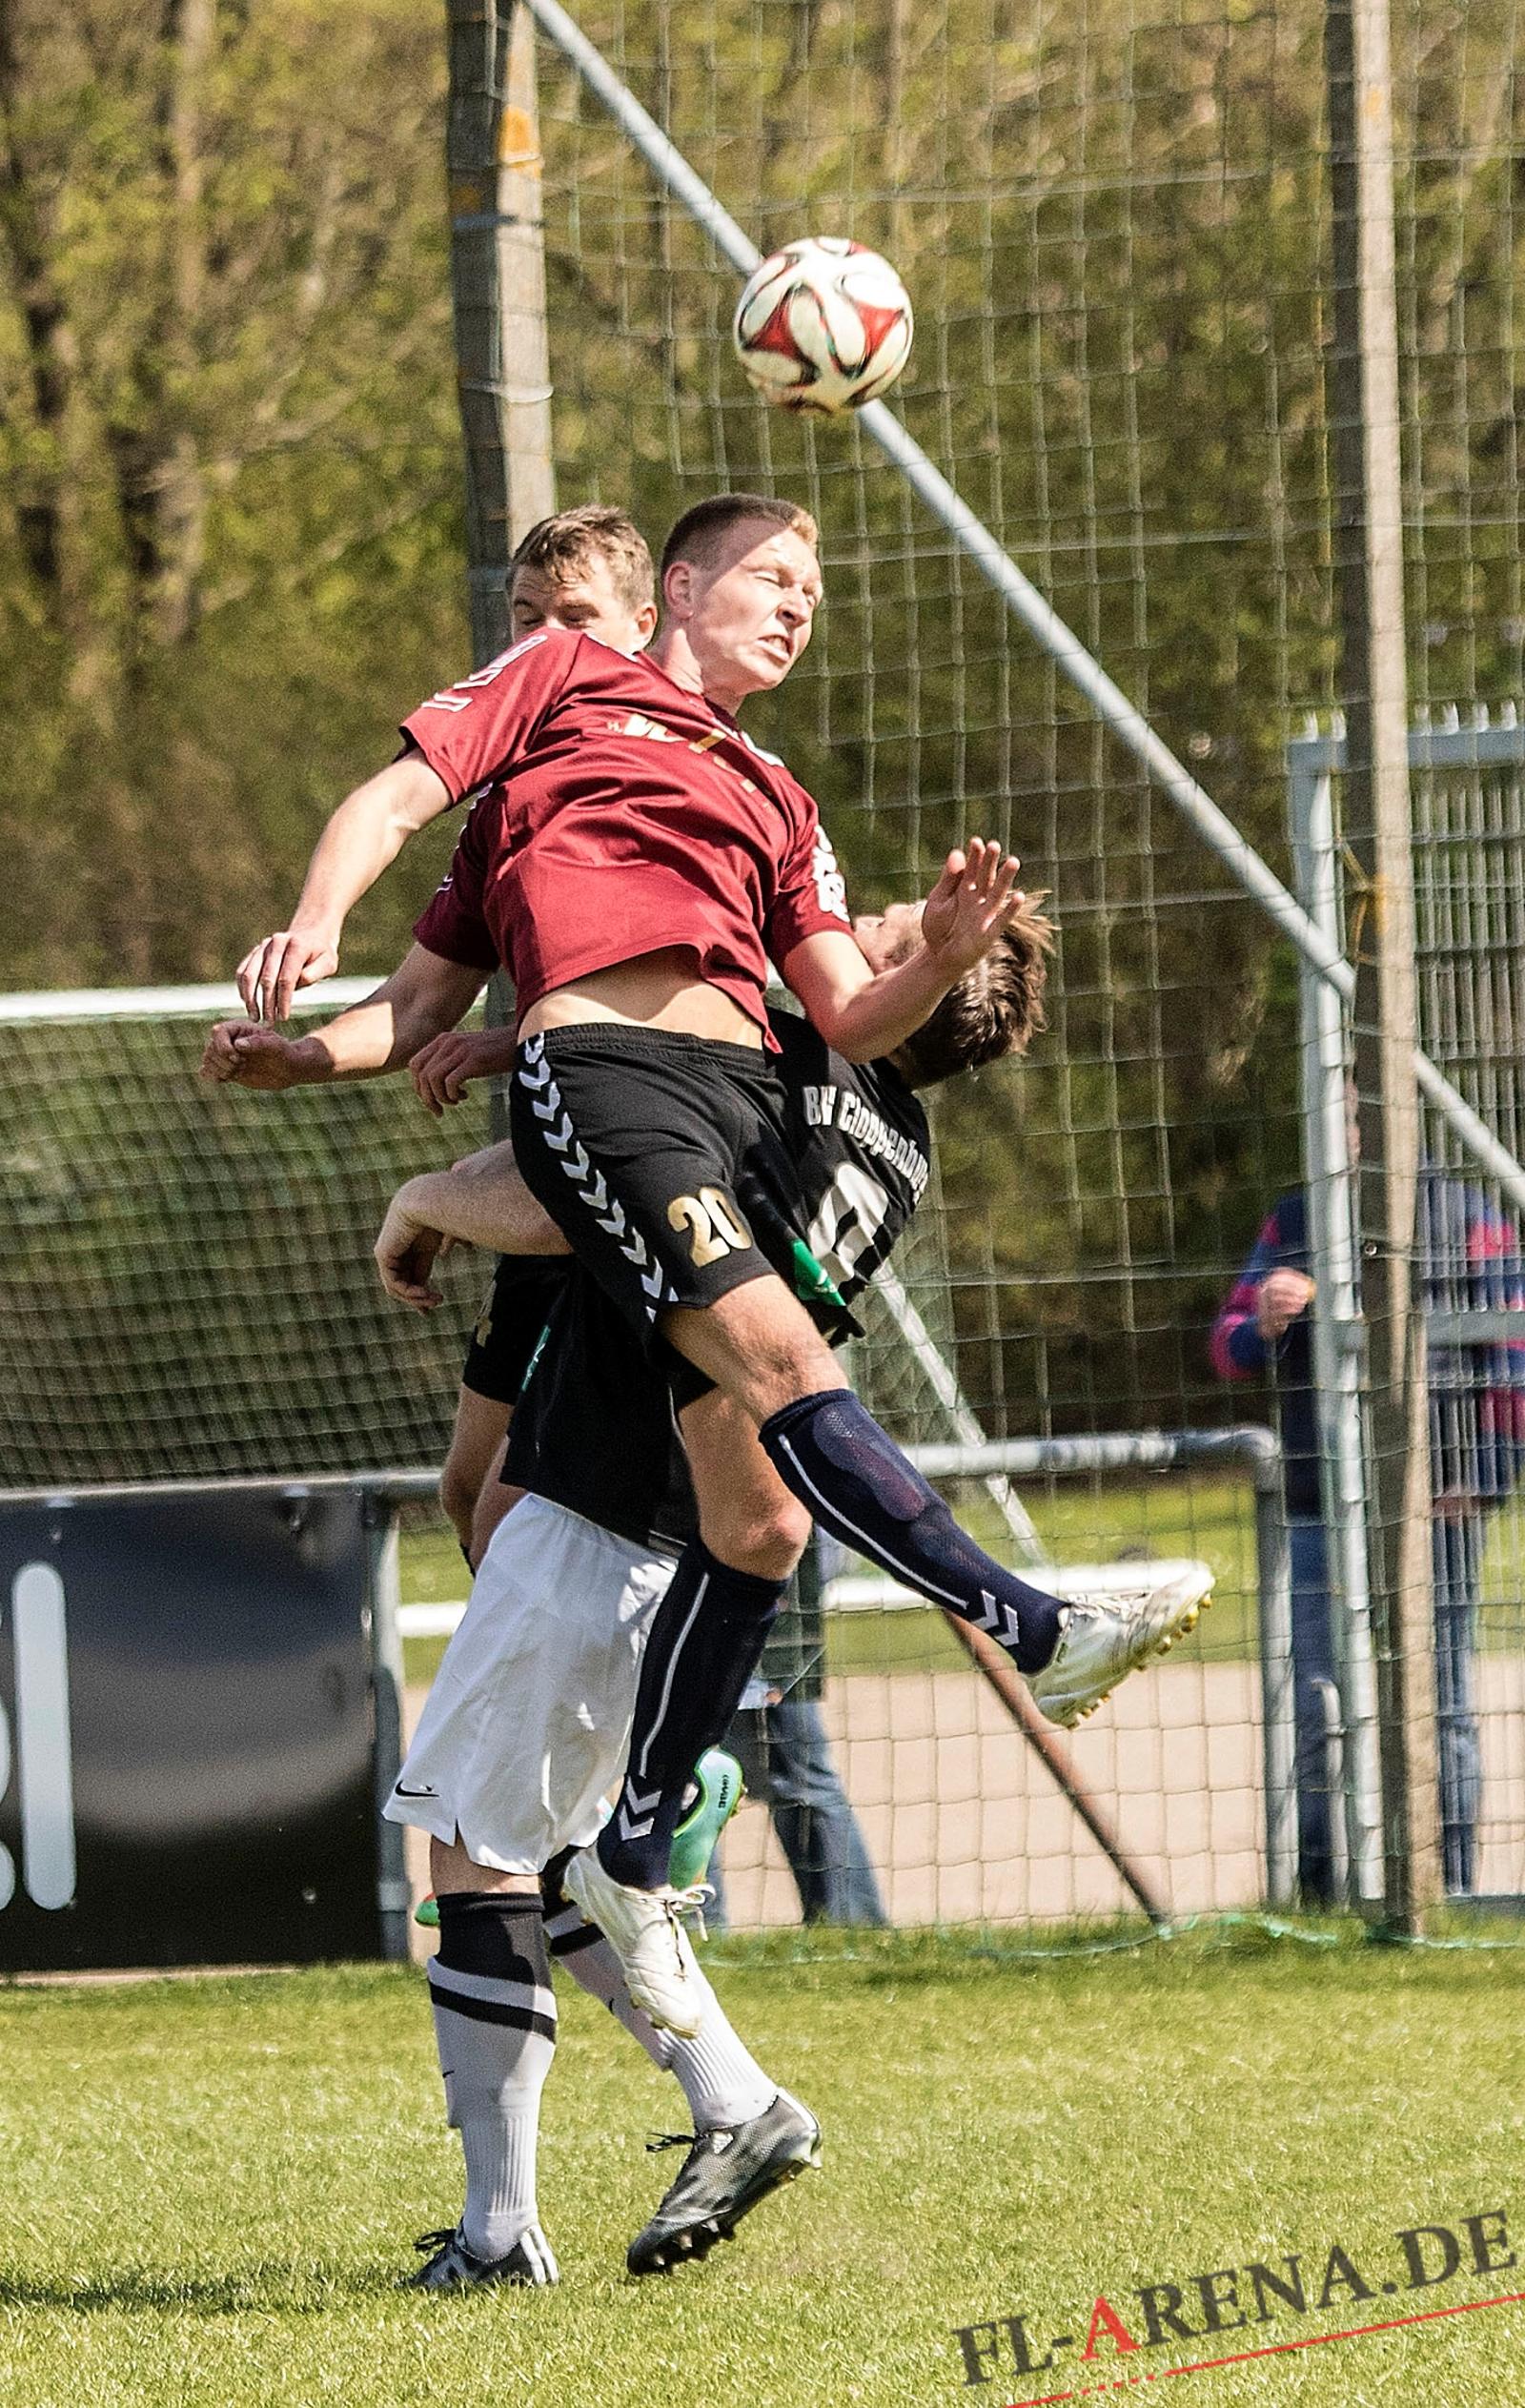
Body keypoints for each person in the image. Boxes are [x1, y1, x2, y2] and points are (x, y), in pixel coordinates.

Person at [233, 488, 1211, 2038]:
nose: (802, 602)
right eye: (776, 574)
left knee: (743, 1511)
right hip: (612, 1089)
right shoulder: (563, 692)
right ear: (675, 596)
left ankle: (642, 1845)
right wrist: (315, 948)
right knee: (557, 1474)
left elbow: (848, 1014)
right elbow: (397, 862)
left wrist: (937, 956)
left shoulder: (775, 796)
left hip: (700, 1109)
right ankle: (1016, 1635)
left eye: (816, 586)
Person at [374, 910, 1048, 2287]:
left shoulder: (785, 1072)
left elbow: (570, 1201)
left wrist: (427, 1196)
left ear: (898, 990)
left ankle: (499, 2235)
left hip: (608, 1499)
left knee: (473, 1857)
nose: (842, 932)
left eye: (881, 935)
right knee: (551, 1855)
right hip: (676, 1522)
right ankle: (735, 2101)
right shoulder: (891, 1134)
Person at [1210, 1168, 1525, 1898]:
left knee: (1440, 1701)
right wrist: (1263, 1322)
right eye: (1341, 1111)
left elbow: (1514, 1351)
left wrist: (1486, 1477)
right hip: (1316, 1499)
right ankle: (1321, 1892)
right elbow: (1225, 1348)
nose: (1350, 1121)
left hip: (1437, 1502)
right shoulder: (1292, 1220)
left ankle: (1448, 1889)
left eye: (1360, 1110)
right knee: (1316, 1699)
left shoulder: (1465, 1215)